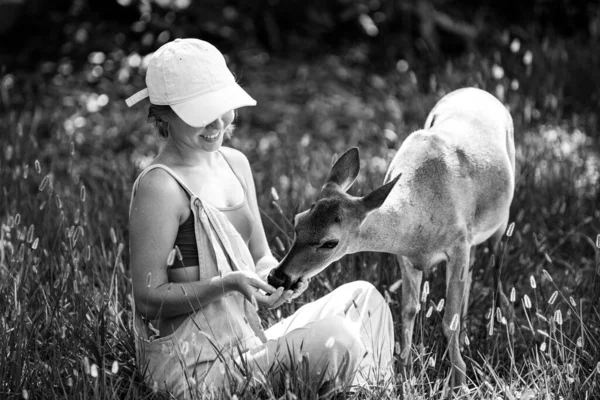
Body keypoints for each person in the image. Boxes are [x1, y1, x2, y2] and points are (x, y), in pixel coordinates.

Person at [126, 38, 394, 399]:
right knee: (339, 338)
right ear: (164, 115)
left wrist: (278, 284)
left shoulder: (235, 163)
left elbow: (260, 258)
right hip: (195, 370)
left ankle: (369, 393)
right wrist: (227, 284)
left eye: (223, 108)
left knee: (365, 299)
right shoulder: (159, 186)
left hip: (246, 346)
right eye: (200, 113)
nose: (217, 123)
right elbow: (147, 298)